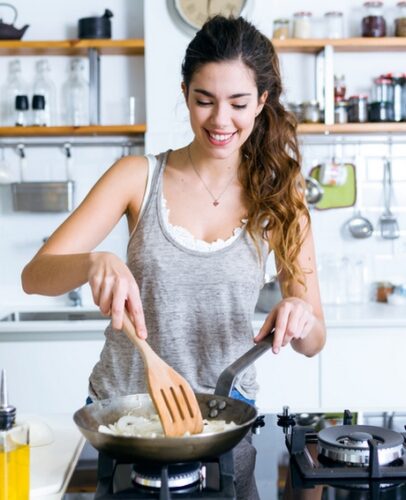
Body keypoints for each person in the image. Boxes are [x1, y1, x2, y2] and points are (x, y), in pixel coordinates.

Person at [22, 16, 326, 499]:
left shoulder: (281, 197)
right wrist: (91, 261)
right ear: (185, 93)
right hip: (128, 423)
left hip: (225, 424)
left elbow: (314, 341)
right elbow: (34, 277)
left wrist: (300, 312)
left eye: (239, 103)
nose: (220, 120)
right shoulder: (135, 176)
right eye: (204, 100)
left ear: (262, 101)